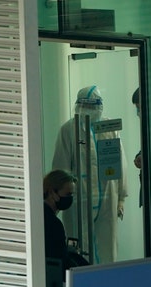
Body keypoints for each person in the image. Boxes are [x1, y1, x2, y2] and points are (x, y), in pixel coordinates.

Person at [52, 85, 128, 264]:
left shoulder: (108, 127)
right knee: (80, 245)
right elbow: (60, 166)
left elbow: (120, 164)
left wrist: (121, 198)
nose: (90, 111)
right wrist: (58, 197)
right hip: (79, 198)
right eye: (86, 106)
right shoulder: (68, 130)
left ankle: (107, 280)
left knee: (106, 243)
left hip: (107, 196)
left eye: (93, 107)